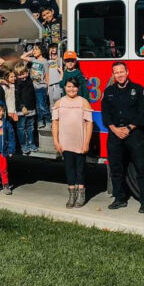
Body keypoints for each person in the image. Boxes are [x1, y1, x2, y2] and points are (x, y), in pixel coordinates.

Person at [101, 62, 144, 213]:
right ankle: (120, 198)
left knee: (140, 168)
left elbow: (143, 113)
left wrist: (129, 128)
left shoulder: (139, 90)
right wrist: (115, 129)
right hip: (115, 134)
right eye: (116, 73)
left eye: (122, 72)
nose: (119, 75)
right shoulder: (108, 91)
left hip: (134, 134)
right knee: (116, 168)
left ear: (127, 72)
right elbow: (105, 114)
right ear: (113, 75)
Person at [52, 77, 93, 208]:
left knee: (80, 168)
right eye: (69, 86)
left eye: (74, 87)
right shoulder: (59, 103)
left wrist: (86, 142)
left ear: (78, 88)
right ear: (65, 87)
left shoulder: (84, 102)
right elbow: (55, 123)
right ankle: (71, 194)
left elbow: (89, 124)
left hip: (80, 141)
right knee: (69, 168)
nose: (71, 89)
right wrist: (56, 141)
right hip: (65, 142)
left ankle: (81, 194)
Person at [21, 44, 50, 129]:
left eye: (36, 49)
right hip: (33, 86)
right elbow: (22, 56)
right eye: (34, 50)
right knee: (37, 106)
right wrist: (31, 51)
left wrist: (48, 88)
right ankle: (40, 121)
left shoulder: (45, 61)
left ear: (42, 50)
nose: (34, 51)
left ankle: (48, 120)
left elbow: (47, 75)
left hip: (41, 87)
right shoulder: (33, 59)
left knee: (42, 105)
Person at [14, 63, 37, 154]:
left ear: (27, 73)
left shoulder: (30, 80)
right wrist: (22, 106)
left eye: (24, 74)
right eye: (20, 75)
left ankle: (31, 143)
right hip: (22, 109)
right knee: (21, 128)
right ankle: (23, 145)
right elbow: (17, 96)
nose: (22, 76)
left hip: (31, 107)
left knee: (30, 127)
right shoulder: (18, 83)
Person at [46, 44, 63, 109]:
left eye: (54, 48)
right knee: (51, 104)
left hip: (57, 85)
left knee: (58, 103)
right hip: (50, 86)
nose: (52, 50)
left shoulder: (60, 60)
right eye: (51, 49)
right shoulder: (47, 61)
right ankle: (53, 118)